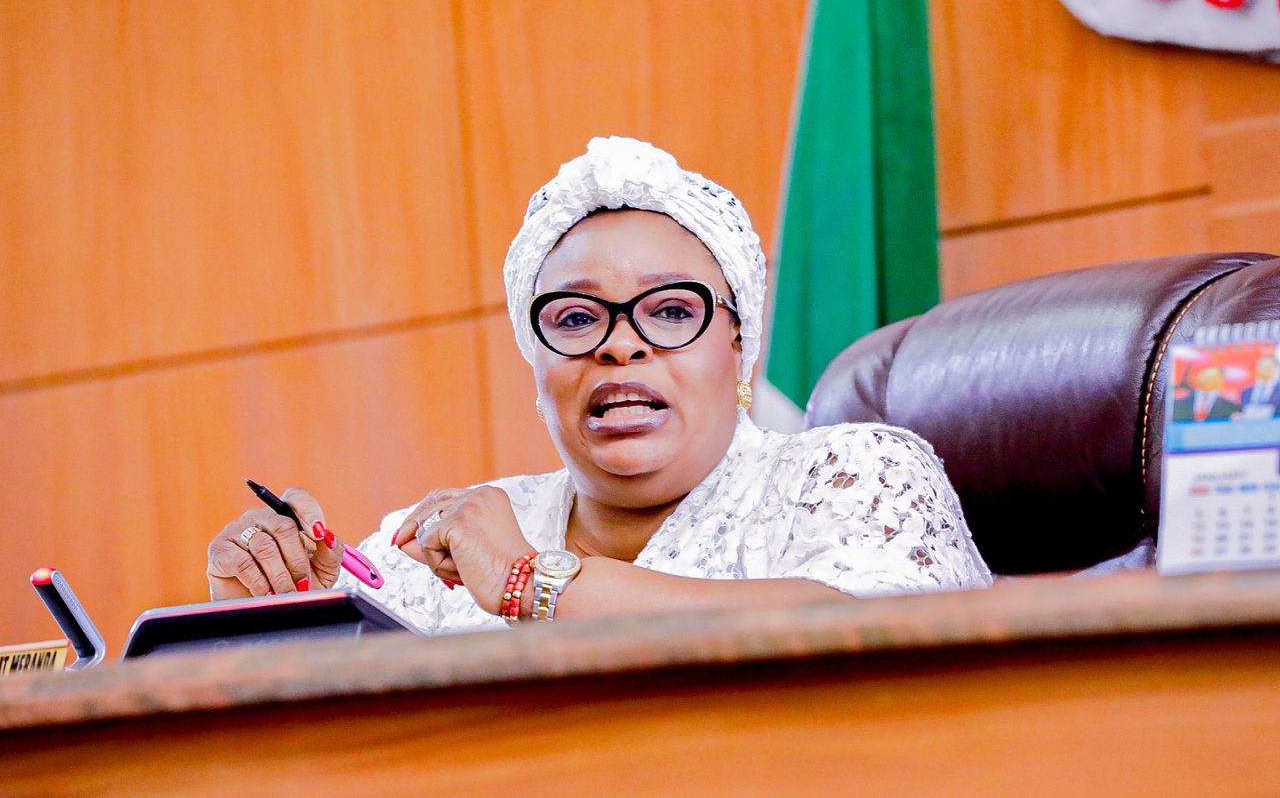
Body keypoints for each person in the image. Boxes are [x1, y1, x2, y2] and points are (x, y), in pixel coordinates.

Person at [206, 137, 992, 634]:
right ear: (538, 368)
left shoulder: (858, 475)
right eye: (578, 319)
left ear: (739, 348)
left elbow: (888, 641)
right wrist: (270, 619)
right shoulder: (439, 546)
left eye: (671, 310)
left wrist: (529, 580)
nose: (621, 344)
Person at [1172, 365, 1239, 423]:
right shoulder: (1179, 403)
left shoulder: (1229, 407)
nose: (1209, 381)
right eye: (1206, 376)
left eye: (1213, 378)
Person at [1238, 355, 1280, 419]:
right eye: (1261, 366)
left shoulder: (1278, 390)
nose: (1264, 369)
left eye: (1268, 366)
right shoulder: (1246, 392)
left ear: (1275, 369)